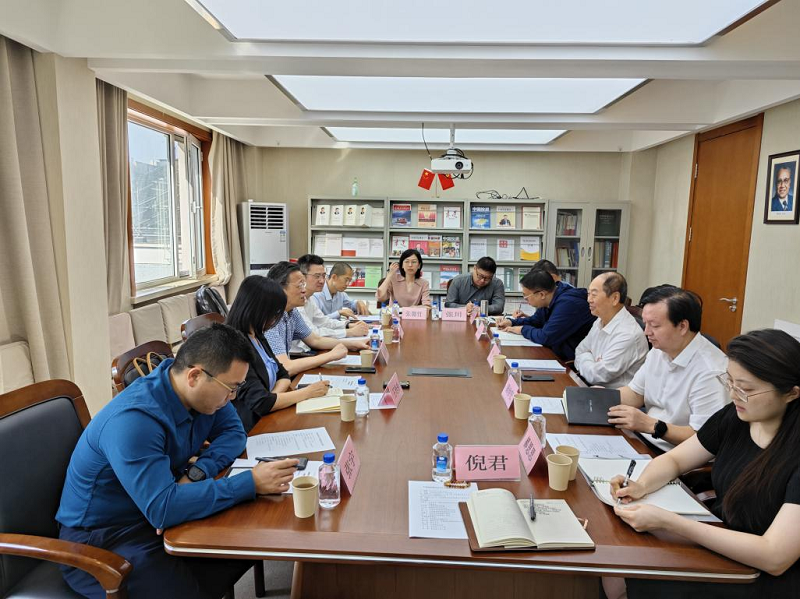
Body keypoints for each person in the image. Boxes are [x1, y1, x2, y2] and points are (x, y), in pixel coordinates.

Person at [56, 324, 299, 599]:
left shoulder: (201, 395)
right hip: (102, 540)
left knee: (244, 544)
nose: (232, 398)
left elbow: (234, 433)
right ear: (194, 376)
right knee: (196, 584)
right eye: (230, 388)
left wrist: (197, 472)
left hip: (154, 509)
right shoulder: (134, 421)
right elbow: (163, 509)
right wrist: (250, 482)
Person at [604, 329, 800, 599]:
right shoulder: (735, 416)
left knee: (640, 573)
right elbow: (675, 459)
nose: (733, 394)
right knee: (622, 555)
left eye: (746, 389)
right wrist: (641, 485)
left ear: (791, 393)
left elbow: (775, 556)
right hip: (722, 540)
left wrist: (671, 523)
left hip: (762, 576)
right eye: (730, 382)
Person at [608, 286, 728, 452]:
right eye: (645, 323)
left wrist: (652, 425)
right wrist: (600, 398)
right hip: (643, 438)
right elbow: (635, 393)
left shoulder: (711, 371)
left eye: (654, 326)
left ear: (682, 326)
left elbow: (705, 438)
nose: (646, 332)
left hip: (675, 454)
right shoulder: (660, 350)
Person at [226, 275, 330, 431]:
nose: (276, 319)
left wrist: (273, 397)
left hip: (269, 414)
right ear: (258, 310)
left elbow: (283, 374)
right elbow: (260, 403)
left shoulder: (257, 334)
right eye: (274, 313)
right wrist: (307, 392)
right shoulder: (234, 345)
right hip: (250, 426)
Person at [266, 261, 369, 376]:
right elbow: (286, 367)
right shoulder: (269, 320)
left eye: (304, 284)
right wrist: (330, 356)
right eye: (299, 285)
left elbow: (315, 340)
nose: (304, 290)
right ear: (280, 288)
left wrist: (352, 344)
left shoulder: (292, 312)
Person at [496, 269, 594, 362]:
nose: (525, 300)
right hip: (556, 351)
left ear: (542, 294)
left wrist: (522, 329)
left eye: (526, 296)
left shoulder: (568, 304)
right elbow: (536, 321)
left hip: (572, 361)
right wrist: (512, 322)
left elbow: (545, 337)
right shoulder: (549, 299)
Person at [573, 272, 648, 388]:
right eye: (588, 294)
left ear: (615, 298)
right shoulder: (600, 320)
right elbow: (580, 351)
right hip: (591, 389)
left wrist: (587, 359)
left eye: (594, 295)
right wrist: (591, 362)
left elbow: (596, 376)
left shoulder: (627, 334)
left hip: (614, 396)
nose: (589, 299)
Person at [293, 254, 369, 353]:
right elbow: (314, 335)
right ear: (302, 277)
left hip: (310, 349)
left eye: (323, 276)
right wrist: (349, 332)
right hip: (299, 353)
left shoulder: (309, 299)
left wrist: (348, 325)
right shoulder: (296, 303)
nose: (322, 281)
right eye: (317, 276)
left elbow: (325, 322)